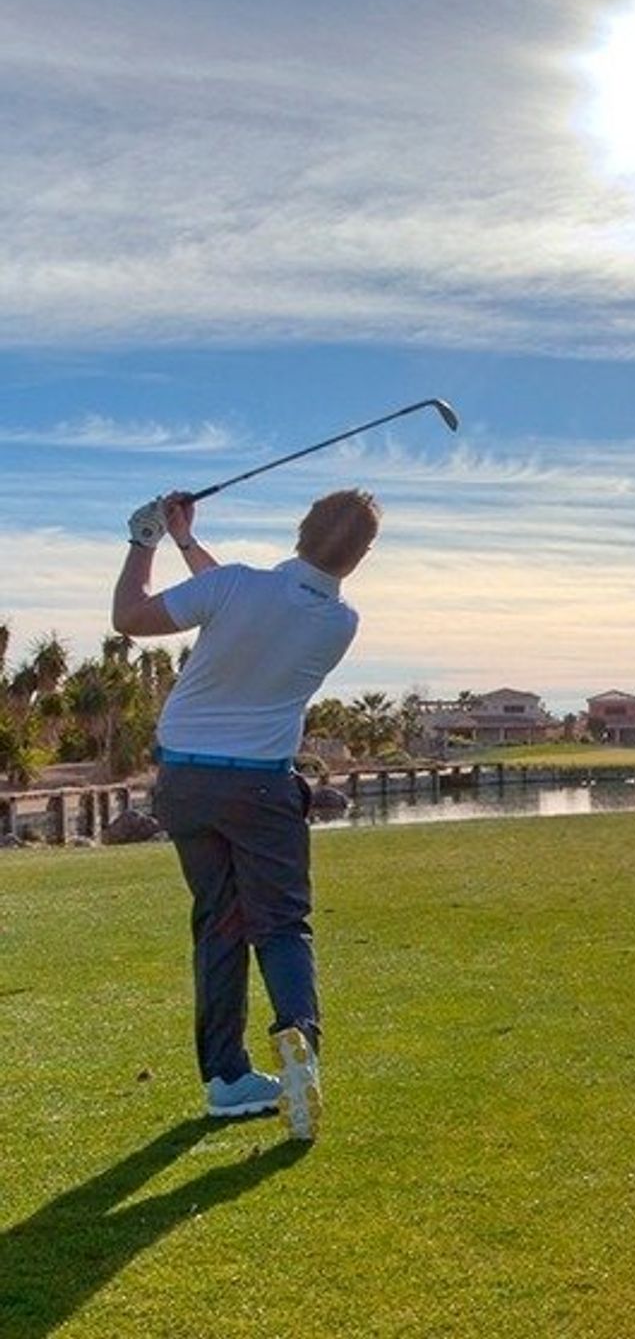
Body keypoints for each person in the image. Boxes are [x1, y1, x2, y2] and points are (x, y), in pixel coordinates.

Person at [113, 487, 381, 1141]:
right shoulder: (339, 623)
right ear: (360, 557)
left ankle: (228, 1079)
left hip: (187, 785)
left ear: (300, 529)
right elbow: (241, 600)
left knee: (219, 922)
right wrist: (182, 540)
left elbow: (132, 615)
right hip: (262, 791)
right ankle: (299, 1044)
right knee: (282, 924)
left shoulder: (234, 588)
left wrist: (144, 539)